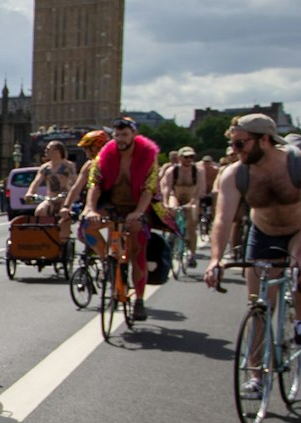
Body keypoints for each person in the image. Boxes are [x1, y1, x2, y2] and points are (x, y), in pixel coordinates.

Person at [203, 114, 301, 397]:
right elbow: (222, 219)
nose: (235, 150)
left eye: (240, 143)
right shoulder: (235, 173)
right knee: (258, 306)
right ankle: (257, 375)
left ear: (265, 140)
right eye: (232, 144)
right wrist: (215, 259)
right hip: (264, 232)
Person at [82, 118, 166, 321]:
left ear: (134, 135)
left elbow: (149, 188)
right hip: (112, 206)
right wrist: (91, 209)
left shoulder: (148, 155)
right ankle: (106, 260)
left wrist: (138, 212)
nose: (120, 139)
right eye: (117, 135)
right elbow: (95, 184)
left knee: (137, 251)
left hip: (138, 207)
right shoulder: (106, 154)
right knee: (87, 226)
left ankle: (138, 300)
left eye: (125, 135)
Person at [159, 146, 203, 263]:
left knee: (192, 226)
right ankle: (172, 235)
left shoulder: (197, 171)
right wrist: (165, 203)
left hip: (191, 196)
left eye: (191, 157)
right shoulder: (172, 171)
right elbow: (167, 188)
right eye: (186, 157)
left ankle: (192, 254)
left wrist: (193, 202)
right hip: (176, 195)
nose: (189, 159)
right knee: (172, 209)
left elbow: (200, 189)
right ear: (179, 158)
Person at [26, 140, 77, 220]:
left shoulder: (68, 166)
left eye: (48, 149)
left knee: (64, 214)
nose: (45, 151)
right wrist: (30, 193)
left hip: (65, 197)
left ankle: (64, 230)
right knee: (40, 211)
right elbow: (36, 181)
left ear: (57, 151)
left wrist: (74, 194)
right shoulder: (45, 167)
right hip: (50, 198)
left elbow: (74, 181)